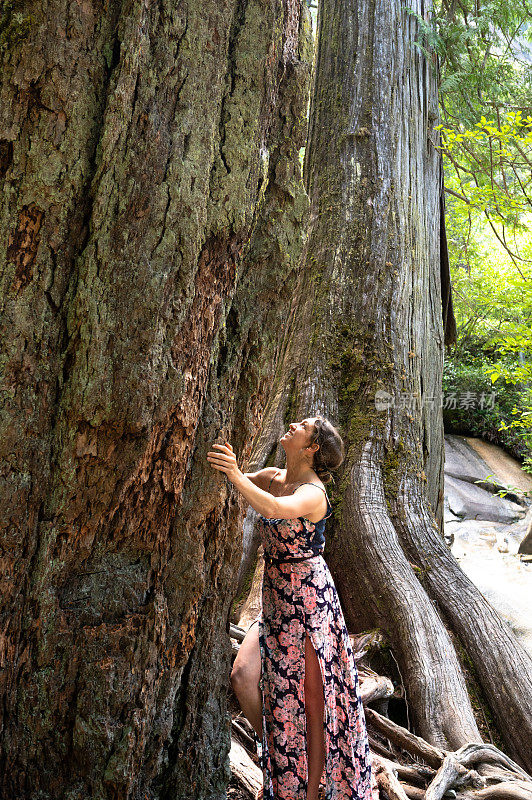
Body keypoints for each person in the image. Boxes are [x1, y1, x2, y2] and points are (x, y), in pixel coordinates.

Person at [207, 416, 375, 800]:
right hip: (276, 599)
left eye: (303, 425)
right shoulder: (273, 475)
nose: (293, 424)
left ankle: (312, 792)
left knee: (316, 703)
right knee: (243, 675)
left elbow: (274, 508)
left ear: (313, 447)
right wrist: (229, 468)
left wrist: (235, 474)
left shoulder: (313, 493)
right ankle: (284, 755)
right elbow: (247, 486)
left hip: (310, 604)